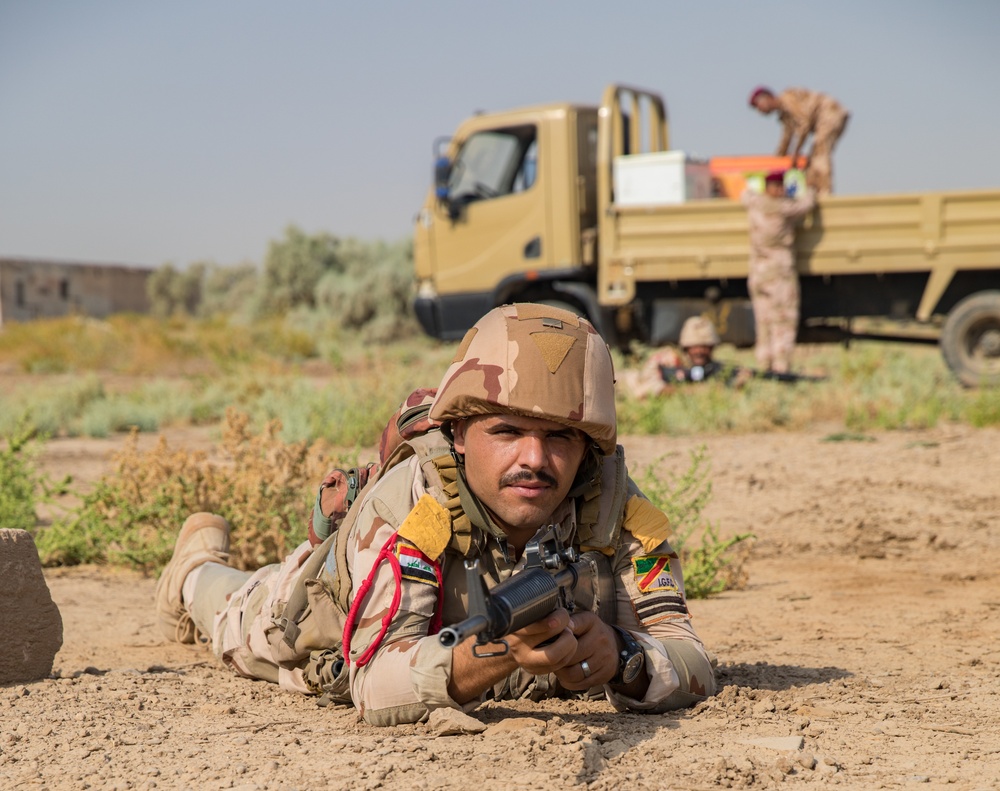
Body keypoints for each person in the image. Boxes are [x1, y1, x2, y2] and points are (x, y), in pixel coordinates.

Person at [155, 303, 717, 726]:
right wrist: (498, 652)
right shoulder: (413, 505)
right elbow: (374, 687)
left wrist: (624, 659)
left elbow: (689, 654)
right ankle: (194, 568)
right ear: (459, 435)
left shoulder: (614, 507)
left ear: (589, 447)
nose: (535, 459)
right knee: (239, 618)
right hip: (317, 610)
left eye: (559, 438)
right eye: (507, 432)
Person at [741, 170, 817, 375]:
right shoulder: (782, 207)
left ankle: (763, 364)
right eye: (779, 186)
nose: (782, 190)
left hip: (758, 272)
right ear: (772, 188)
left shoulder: (754, 203)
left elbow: (745, 194)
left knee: (763, 321)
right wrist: (809, 187)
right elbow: (807, 203)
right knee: (783, 320)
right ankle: (781, 367)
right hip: (778, 272)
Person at [748, 86, 850, 195]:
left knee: (820, 152)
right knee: (811, 161)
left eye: (758, 105)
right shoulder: (784, 114)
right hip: (824, 119)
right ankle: (814, 190)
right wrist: (777, 161)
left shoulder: (787, 99)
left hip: (829, 114)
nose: (760, 111)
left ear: (767, 98)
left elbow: (804, 124)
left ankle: (825, 192)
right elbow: (786, 139)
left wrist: (796, 153)